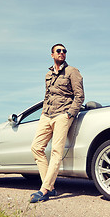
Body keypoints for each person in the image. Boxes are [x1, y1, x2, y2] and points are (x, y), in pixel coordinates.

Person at [30, 43, 85, 203]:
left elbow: (79, 96)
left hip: (63, 114)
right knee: (36, 148)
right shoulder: (48, 74)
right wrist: (42, 114)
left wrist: (69, 114)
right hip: (47, 115)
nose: (62, 53)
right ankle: (51, 188)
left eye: (64, 51)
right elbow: (46, 96)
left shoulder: (72, 71)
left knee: (56, 152)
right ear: (52, 55)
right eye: (58, 51)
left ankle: (44, 189)